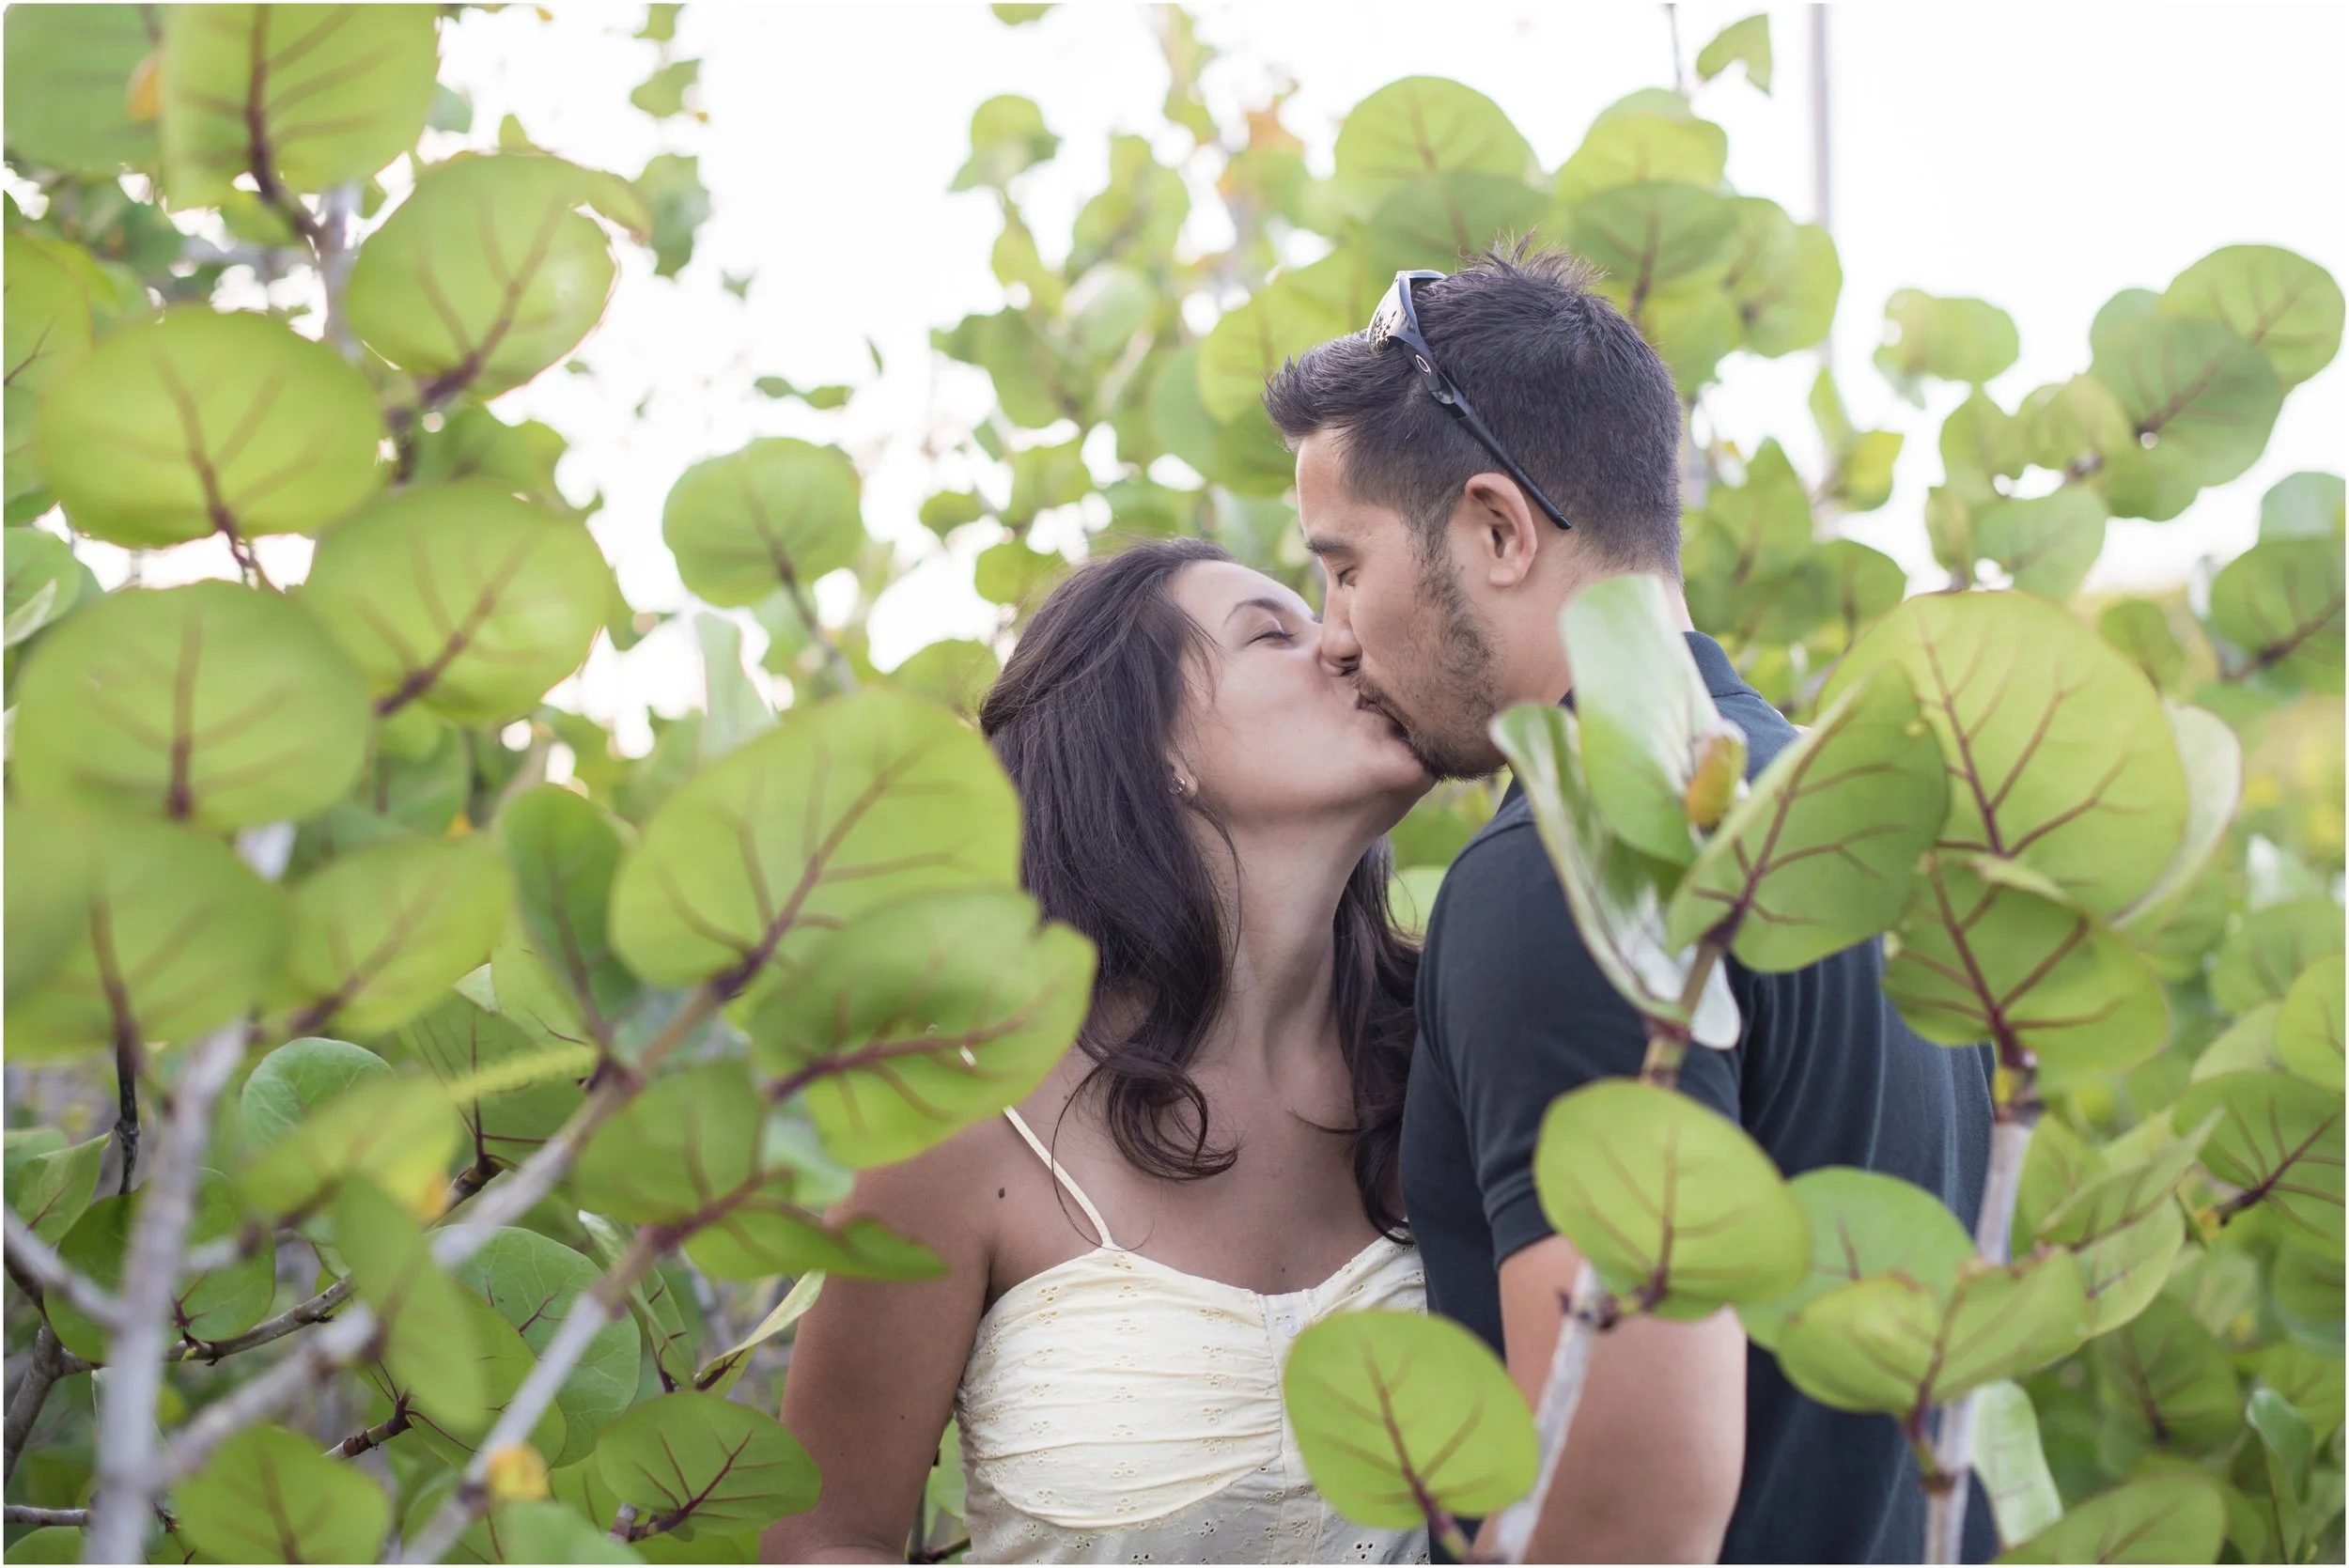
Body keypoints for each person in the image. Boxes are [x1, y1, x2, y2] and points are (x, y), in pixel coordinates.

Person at [1265, 246, 1998, 1564]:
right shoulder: (1848, 822)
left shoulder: (1565, 861)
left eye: (1343, 564)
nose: (1332, 628)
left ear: (1496, 528)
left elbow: (1627, 1508)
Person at [765, 537, 1436, 1565]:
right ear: (1149, 747)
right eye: (1273, 631)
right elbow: (820, 1539)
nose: (1344, 644)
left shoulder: (1450, 1048)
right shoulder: (965, 1118)